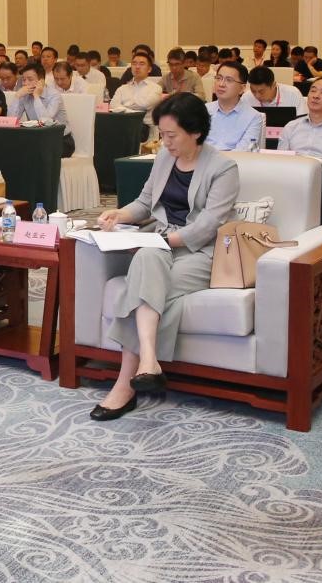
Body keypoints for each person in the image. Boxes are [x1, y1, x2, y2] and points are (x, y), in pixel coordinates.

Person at [91, 94, 239, 421]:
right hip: (159, 244)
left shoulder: (223, 168)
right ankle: (149, 362)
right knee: (148, 259)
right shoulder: (163, 158)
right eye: (162, 134)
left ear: (195, 132)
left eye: (172, 135)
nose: (165, 142)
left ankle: (124, 385)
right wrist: (119, 214)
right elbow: (145, 203)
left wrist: (163, 240)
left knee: (146, 285)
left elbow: (209, 225)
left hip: (201, 251)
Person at [11, 61, 73, 156]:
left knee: (33, 154)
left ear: (41, 81)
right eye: (24, 80)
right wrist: (17, 96)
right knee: (12, 149)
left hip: (60, 140)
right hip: (37, 138)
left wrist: (36, 96)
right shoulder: (24, 95)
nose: (25, 83)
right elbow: (11, 121)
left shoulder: (54, 95)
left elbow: (46, 122)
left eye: (30, 79)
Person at [205, 61, 263, 152]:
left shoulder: (254, 117)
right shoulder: (203, 110)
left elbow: (245, 151)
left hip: (236, 160)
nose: (221, 84)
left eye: (229, 80)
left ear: (242, 88)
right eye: (219, 78)